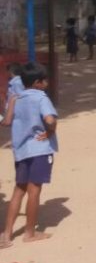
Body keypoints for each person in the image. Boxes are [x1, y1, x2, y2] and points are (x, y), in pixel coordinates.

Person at [0, 63, 58, 246]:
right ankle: (29, 233)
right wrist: (50, 131)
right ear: (37, 83)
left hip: (21, 150)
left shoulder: (16, 98)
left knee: (19, 190)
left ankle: (6, 234)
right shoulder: (41, 98)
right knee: (34, 191)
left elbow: (7, 121)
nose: (47, 83)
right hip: (39, 149)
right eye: (45, 80)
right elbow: (50, 119)